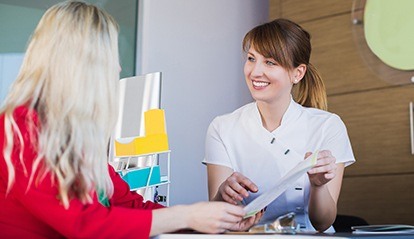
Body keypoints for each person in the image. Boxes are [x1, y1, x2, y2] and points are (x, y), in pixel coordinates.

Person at [0, 1, 261, 238]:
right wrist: (187, 216)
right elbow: (83, 223)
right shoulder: (20, 127)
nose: (118, 69)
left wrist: (212, 218)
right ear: (82, 65)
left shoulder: (74, 140)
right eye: (110, 59)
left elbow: (132, 206)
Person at [203, 18, 355, 232]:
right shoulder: (222, 127)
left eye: (270, 62)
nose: (255, 72)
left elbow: (323, 222)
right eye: (251, 59)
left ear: (297, 73)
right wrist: (223, 194)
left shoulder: (328, 126)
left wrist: (319, 186)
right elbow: (218, 219)